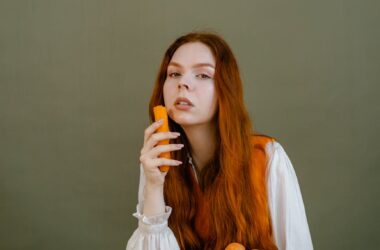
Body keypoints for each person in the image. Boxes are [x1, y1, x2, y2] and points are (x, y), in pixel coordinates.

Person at [126, 32, 313, 250]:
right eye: (174, 73)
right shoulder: (156, 162)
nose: (183, 83)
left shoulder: (267, 157)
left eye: (203, 75)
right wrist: (154, 186)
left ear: (226, 89)